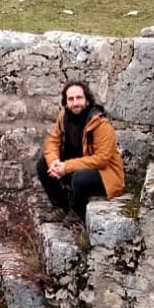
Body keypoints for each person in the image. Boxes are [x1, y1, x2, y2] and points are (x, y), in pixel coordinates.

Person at [36, 80, 125, 222]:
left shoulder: (100, 123)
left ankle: (78, 212)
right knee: (43, 164)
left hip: (104, 174)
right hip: (78, 166)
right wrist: (54, 162)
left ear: (87, 100)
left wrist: (67, 167)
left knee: (80, 177)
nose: (75, 103)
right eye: (70, 99)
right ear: (66, 102)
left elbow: (102, 159)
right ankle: (62, 208)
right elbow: (53, 141)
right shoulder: (64, 116)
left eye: (79, 98)